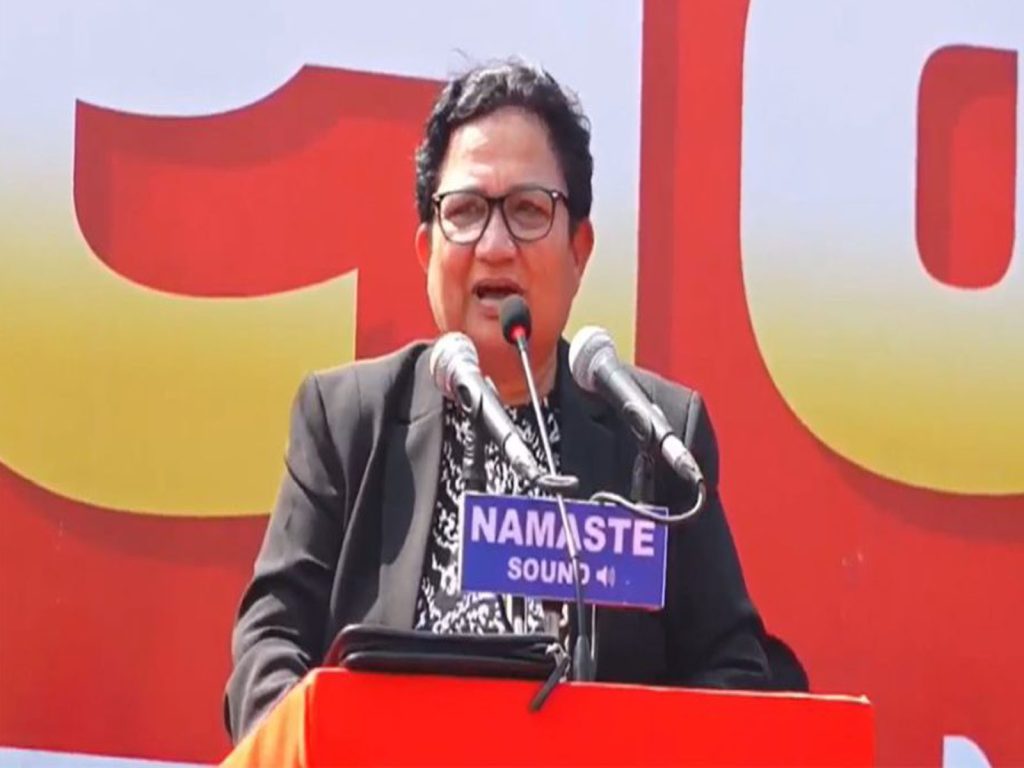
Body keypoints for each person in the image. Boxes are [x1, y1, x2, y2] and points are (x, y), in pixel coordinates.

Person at [225, 59, 773, 743]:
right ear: (425, 249)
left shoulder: (655, 435)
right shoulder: (346, 421)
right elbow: (269, 645)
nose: (493, 245)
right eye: (465, 212)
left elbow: (735, 672)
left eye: (527, 211)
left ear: (580, 249)